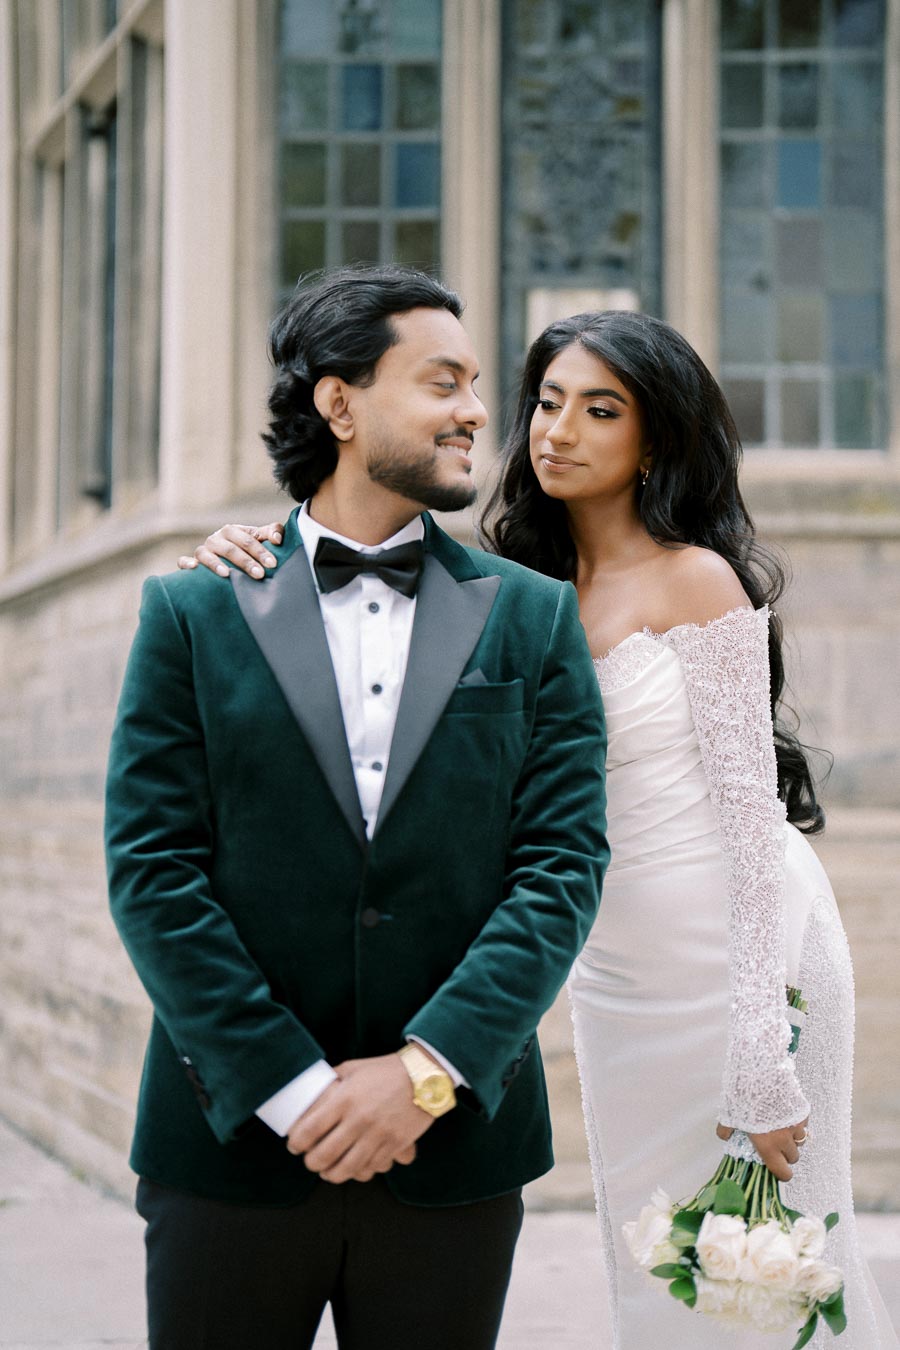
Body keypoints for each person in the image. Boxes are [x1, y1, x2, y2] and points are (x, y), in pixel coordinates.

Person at [194, 307, 898, 1349]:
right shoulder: (507, 589)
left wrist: (760, 1049)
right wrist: (249, 543)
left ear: (654, 438)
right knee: (656, 1265)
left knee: (773, 1281)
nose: (557, 431)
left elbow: (755, 830)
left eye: (599, 410)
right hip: (618, 977)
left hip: (750, 963)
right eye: (548, 403)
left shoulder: (697, 579)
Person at [105, 266, 609, 1350]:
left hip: (456, 1158)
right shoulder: (192, 610)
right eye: (443, 382)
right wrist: (291, 1090)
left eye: (478, 384)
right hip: (229, 1148)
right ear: (339, 403)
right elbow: (152, 871)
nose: (479, 411)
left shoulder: (535, 618)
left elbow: (562, 868)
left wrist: (425, 1078)